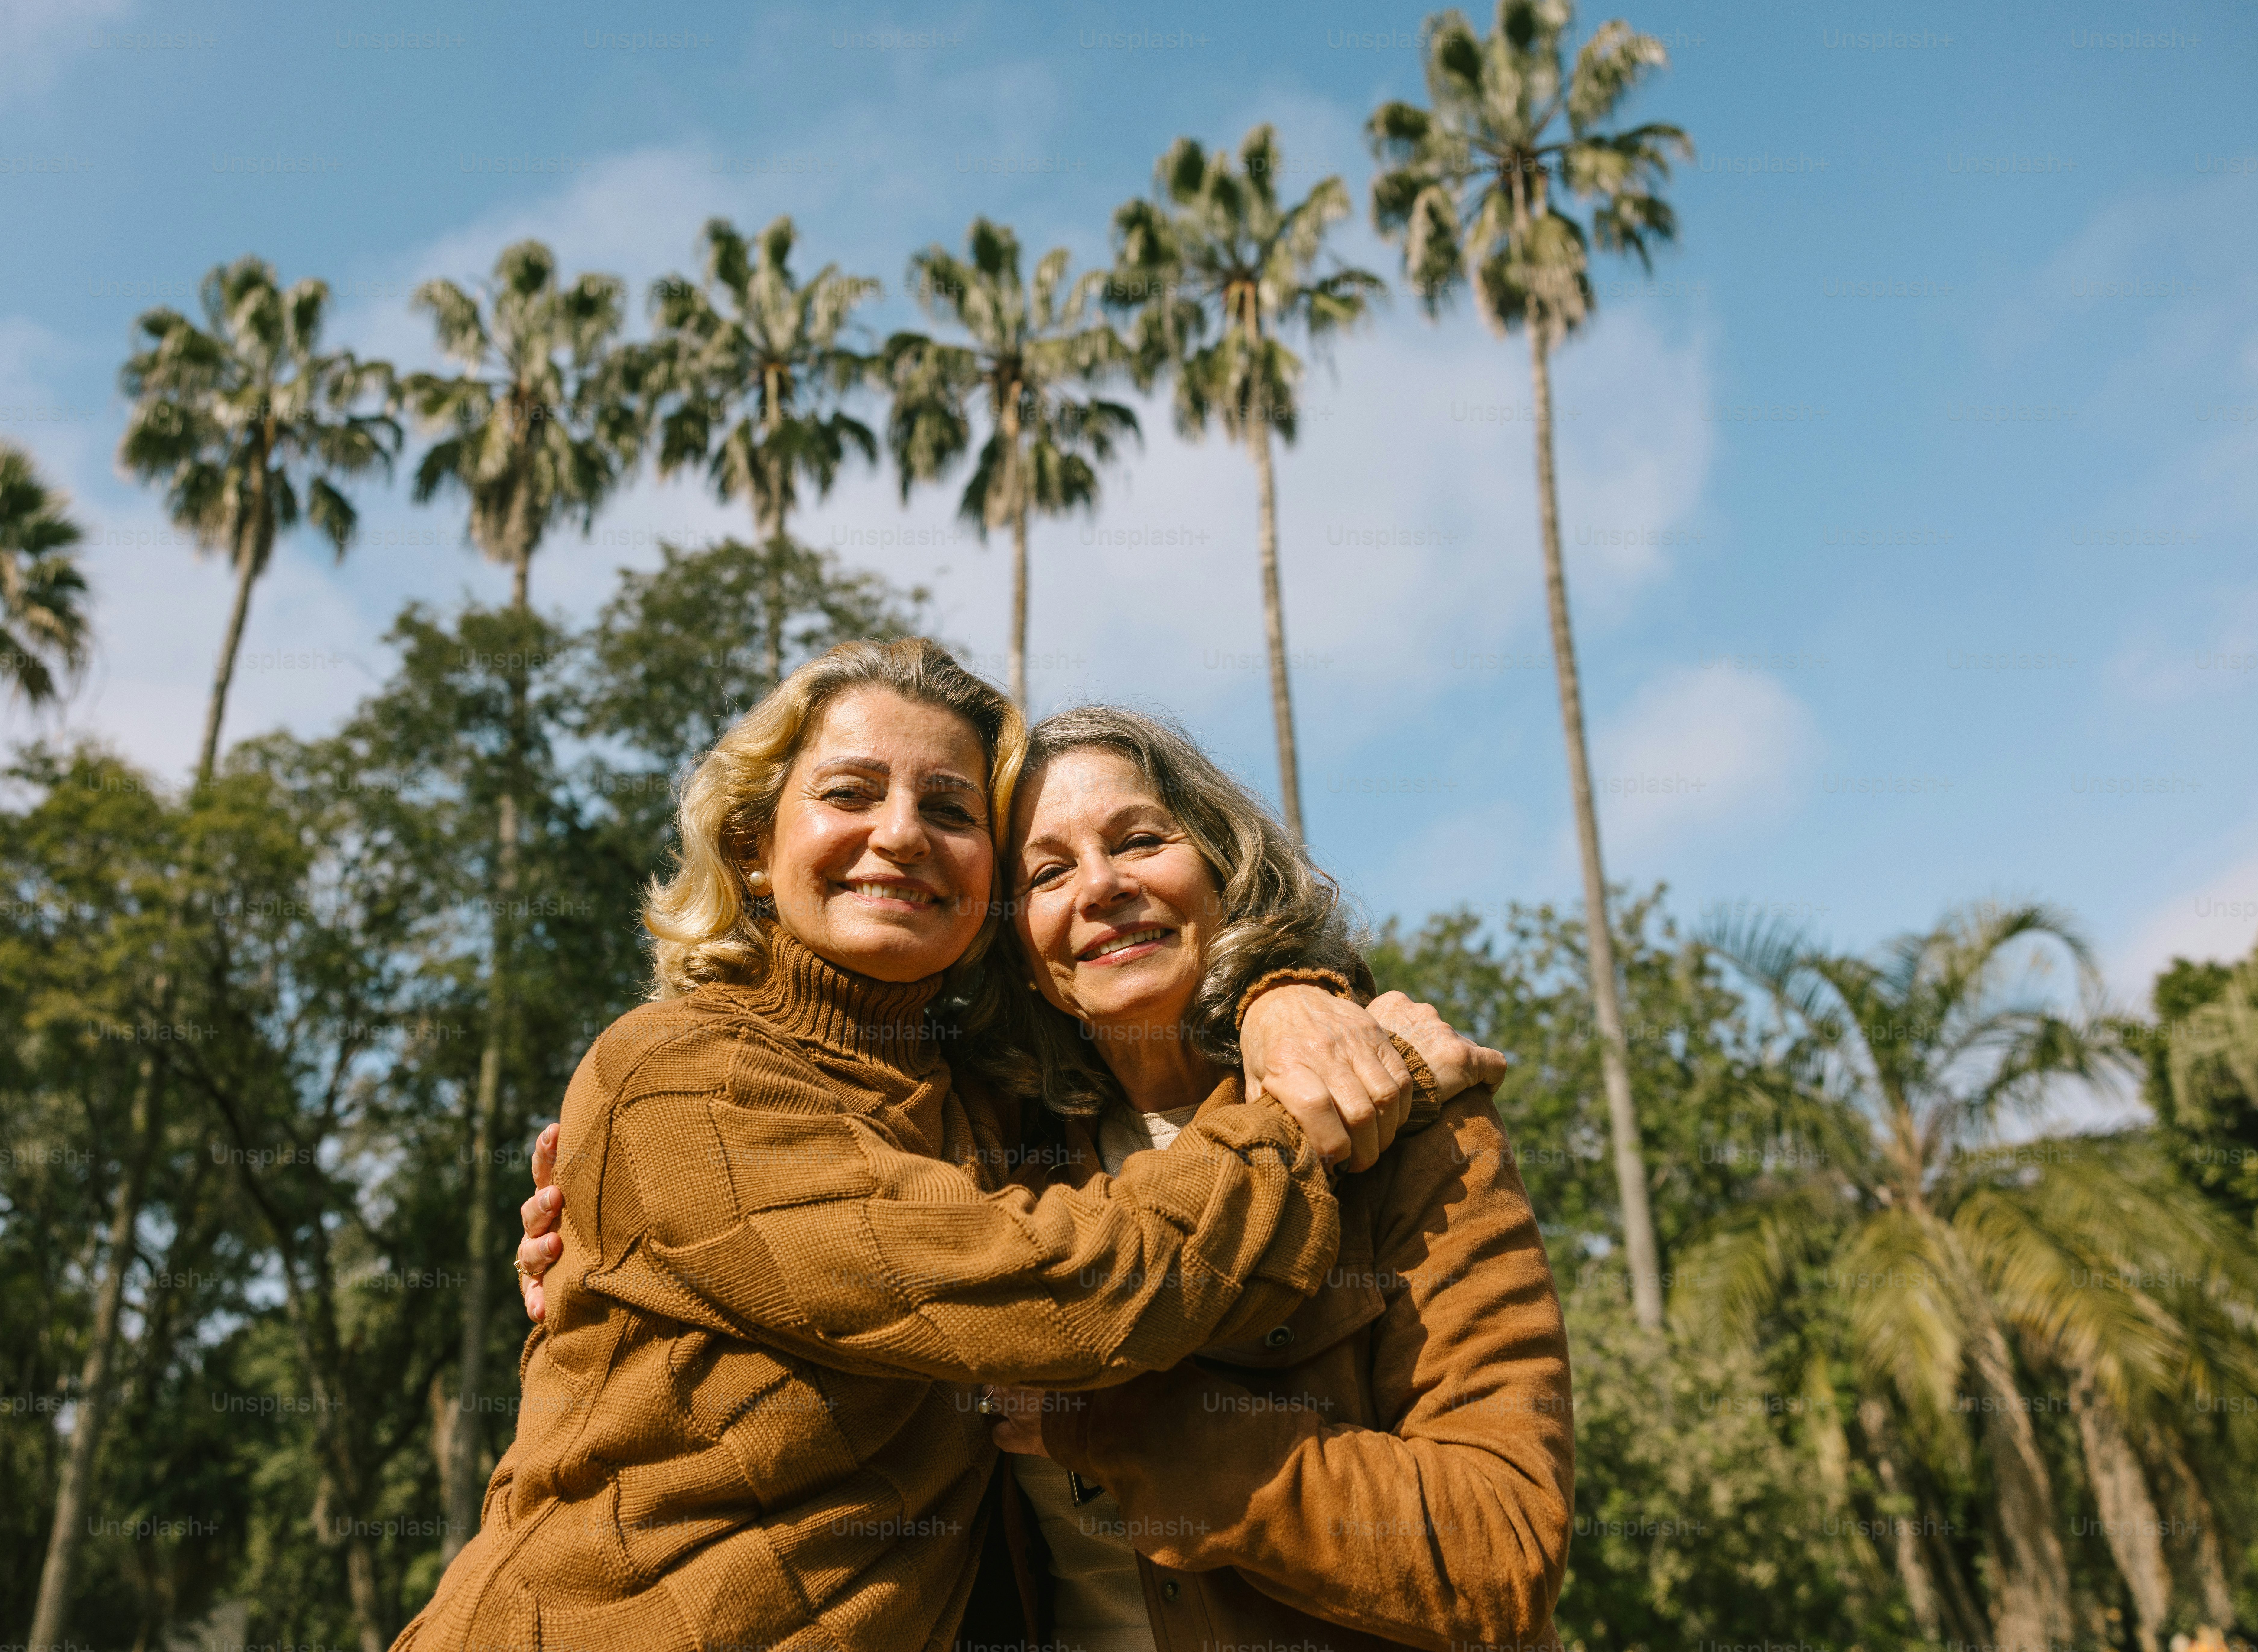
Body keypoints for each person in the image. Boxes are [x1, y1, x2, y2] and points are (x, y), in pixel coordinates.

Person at [394, 640, 1490, 1652]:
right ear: (753, 849)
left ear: (984, 899)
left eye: (951, 809)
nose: (903, 833)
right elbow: (1063, 1294)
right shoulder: (680, 1070)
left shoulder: (992, 1114)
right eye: (850, 792)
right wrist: (1290, 1124)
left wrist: (1290, 994)